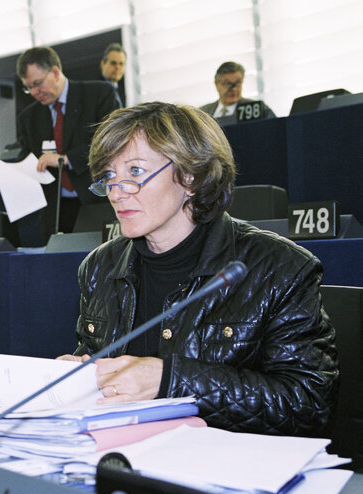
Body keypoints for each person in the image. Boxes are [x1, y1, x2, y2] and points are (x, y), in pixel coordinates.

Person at [60, 102, 337, 436]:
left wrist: (169, 381)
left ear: (190, 176)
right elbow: (94, 360)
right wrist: (78, 377)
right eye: (109, 176)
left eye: (134, 172)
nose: (117, 192)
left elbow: (308, 403)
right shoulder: (99, 267)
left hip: (229, 465)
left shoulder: (281, 268)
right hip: (123, 456)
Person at [16, 46, 120, 242]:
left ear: (55, 72)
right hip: (54, 212)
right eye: (28, 87)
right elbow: (27, 155)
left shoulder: (98, 94)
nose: (34, 92)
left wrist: (65, 159)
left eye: (37, 83)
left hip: (96, 201)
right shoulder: (28, 118)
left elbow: (110, 142)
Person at [199, 61, 275, 120]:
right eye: (228, 83)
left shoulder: (256, 109)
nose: (234, 89)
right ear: (216, 84)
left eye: (238, 83)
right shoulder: (202, 113)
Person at [100, 42, 126, 108]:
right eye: (113, 63)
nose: (117, 67)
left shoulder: (123, 91)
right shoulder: (96, 90)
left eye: (121, 64)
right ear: (103, 64)